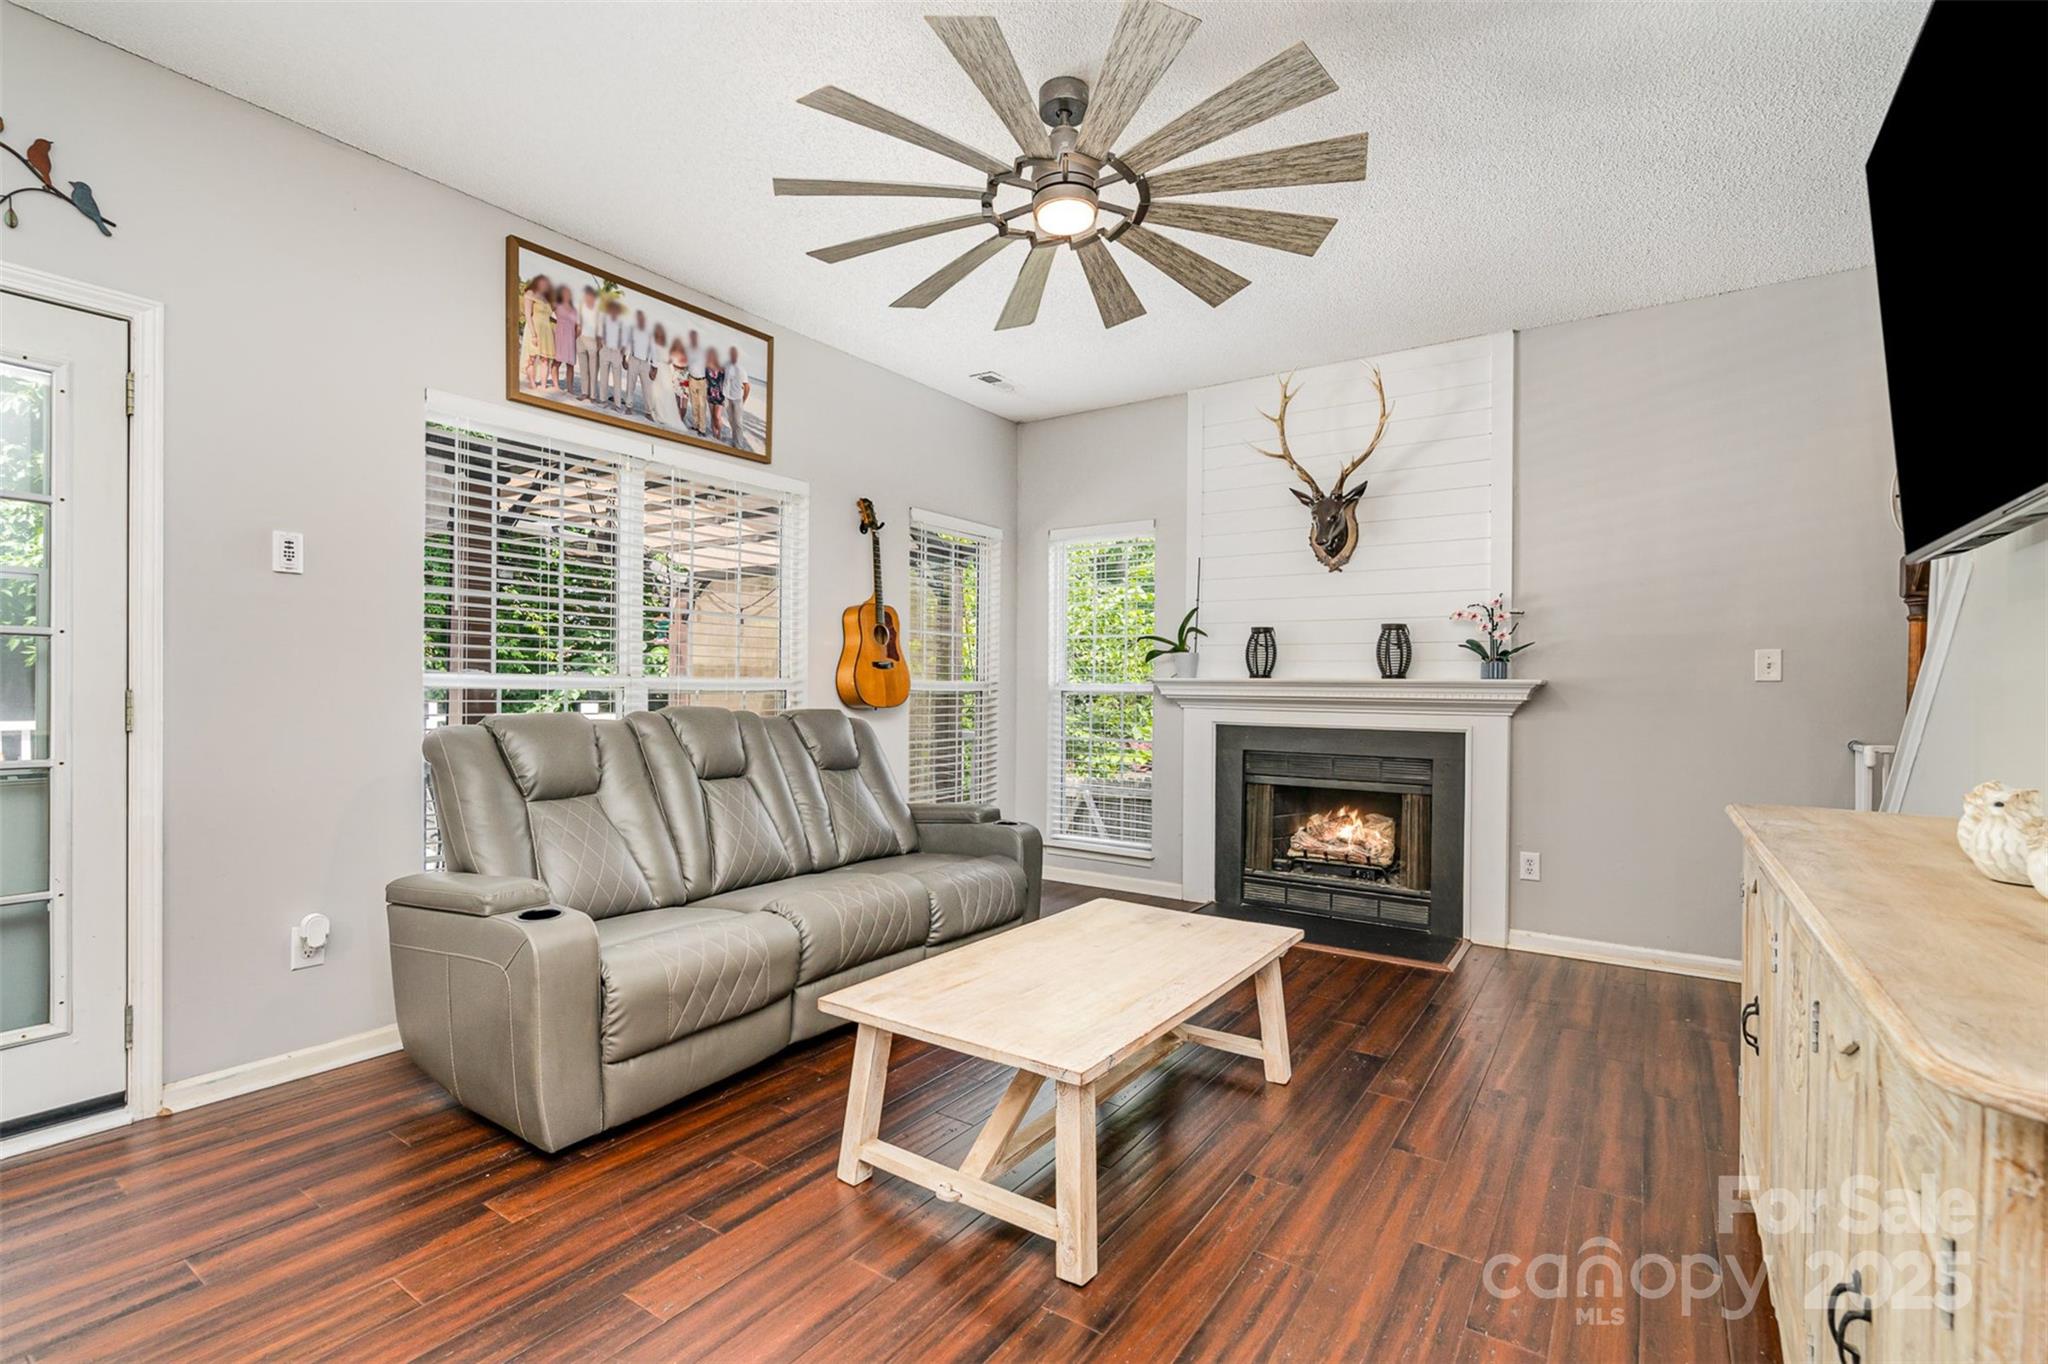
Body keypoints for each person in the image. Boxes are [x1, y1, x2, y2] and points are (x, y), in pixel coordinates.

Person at [519, 276, 554, 391]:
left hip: (546, 331)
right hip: (534, 328)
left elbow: (551, 316)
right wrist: (534, 334)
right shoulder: (530, 293)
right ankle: (532, 384)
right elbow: (528, 315)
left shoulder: (547, 299)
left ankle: (543, 385)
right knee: (532, 357)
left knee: (545, 359)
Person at [598, 301, 628, 408]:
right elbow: (600, 334)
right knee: (603, 377)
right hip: (605, 350)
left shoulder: (622, 322)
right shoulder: (604, 319)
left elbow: (625, 339)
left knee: (617, 380)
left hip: (616, 352)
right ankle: (603, 400)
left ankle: (617, 404)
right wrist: (601, 346)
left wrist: (623, 353)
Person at [722, 345, 751, 452]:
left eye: (734, 353)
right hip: (727, 397)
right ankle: (734, 439)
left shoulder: (741, 370)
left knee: (738, 422)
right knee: (731, 420)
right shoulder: (726, 365)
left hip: (737, 399)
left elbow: (747, 386)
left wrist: (743, 400)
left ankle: (739, 445)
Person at [575, 286, 601, 401]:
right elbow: (578, 324)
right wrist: (575, 338)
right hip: (581, 339)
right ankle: (584, 392)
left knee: (593, 370)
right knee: (583, 369)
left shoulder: (598, 309)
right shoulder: (580, 306)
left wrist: (599, 341)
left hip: (592, 340)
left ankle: (593, 395)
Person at [625, 309, 653, 414]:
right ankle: (628, 407)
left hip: (646, 363)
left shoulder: (650, 332)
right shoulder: (633, 329)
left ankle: (648, 411)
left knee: (647, 388)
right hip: (634, 359)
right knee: (630, 385)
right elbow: (628, 343)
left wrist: (654, 366)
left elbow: (653, 349)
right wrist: (625, 358)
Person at [551, 284, 578, 393]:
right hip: (560, 336)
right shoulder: (556, 305)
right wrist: (556, 322)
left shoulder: (574, 309)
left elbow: (577, 325)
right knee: (557, 361)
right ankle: (556, 385)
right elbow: (546, 314)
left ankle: (570, 389)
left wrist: (575, 337)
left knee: (570, 364)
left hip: (571, 338)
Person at [684, 329, 708, 433]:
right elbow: (686, 363)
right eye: (691, 336)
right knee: (694, 403)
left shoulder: (703, 350)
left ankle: (702, 429)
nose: (692, 338)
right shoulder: (688, 350)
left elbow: (708, 366)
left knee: (702, 405)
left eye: (694, 336)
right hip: (691, 379)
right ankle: (695, 425)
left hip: (702, 381)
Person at [704, 349, 725, 440]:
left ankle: (719, 432)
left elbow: (728, 380)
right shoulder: (706, 368)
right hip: (710, 393)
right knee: (712, 415)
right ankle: (714, 434)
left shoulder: (722, 368)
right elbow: (705, 380)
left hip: (720, 395)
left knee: (717, 416)